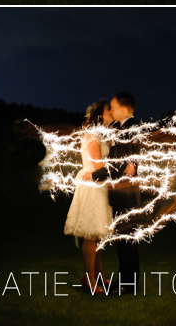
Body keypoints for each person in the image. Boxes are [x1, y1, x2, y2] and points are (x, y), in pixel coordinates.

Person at [91, 92, 141, 295]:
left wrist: (94, 176)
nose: (110, 110)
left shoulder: (131, 128)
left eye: (112, 107)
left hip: (126, 193)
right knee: (123, 240)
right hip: (122, 192)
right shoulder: (120, 129)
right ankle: (125, 282)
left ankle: (127, 285)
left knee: (127, 240)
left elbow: (120, 163)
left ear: (123, 109)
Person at [63, 100, 114, 295]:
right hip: (93, 185)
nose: (112, 111)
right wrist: (119, 166)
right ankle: (90, 279)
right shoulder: (93, 135)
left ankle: (97, 274)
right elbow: (99, 165)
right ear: (100, 114)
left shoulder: (103, 134)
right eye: (109, 108)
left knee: (98, 234)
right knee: (91, 235)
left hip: (100, 185)